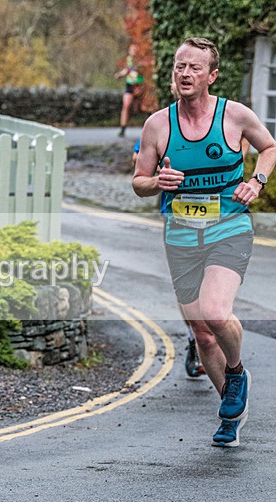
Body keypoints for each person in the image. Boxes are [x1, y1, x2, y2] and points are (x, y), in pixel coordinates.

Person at [133, 37, 276, 447]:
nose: (184, 73)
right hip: (180, 233)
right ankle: (230, 410)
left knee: (215, 313)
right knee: (201, 331)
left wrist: (255, 181)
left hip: (229, 226)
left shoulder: (234, 115)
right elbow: (139, 182)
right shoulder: (158, 125)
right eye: (179, 66)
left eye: (194, 67)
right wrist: (156, 181)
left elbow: (268, 147)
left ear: (211, 76)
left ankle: (236, 372)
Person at [133, 81, 205, 379]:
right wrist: (158, 178)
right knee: (188, 287)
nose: (181, 83)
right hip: (177, 216)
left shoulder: (218, 121)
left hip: (222, 219)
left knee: (214, 286)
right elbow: (139, 172)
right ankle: (195, 340)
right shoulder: (160, 124)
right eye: (176, 78)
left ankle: (211, 333)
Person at [115, 43, 144, 137]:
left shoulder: (142, 60)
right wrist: (119, 75)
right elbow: (126, 70)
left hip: (140, 85)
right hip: (130, 84)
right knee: (126, 105)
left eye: (136, 50)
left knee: (140, 108)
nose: (134, 52)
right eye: (132, 50)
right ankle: (123, 128)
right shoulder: (128, 60)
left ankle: (148, 128)